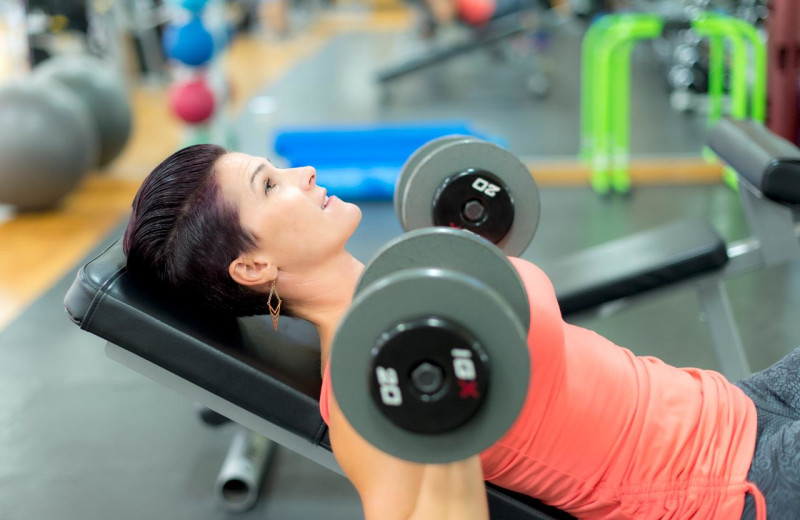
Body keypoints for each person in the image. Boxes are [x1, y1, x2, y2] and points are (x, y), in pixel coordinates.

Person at [123, 144, 800, 520]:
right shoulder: (368, 396)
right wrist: (437, 413)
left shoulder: (420, 282)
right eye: (271, 186)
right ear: (254, 264)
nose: (303, 174)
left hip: (741, 405)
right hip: (735, 487)